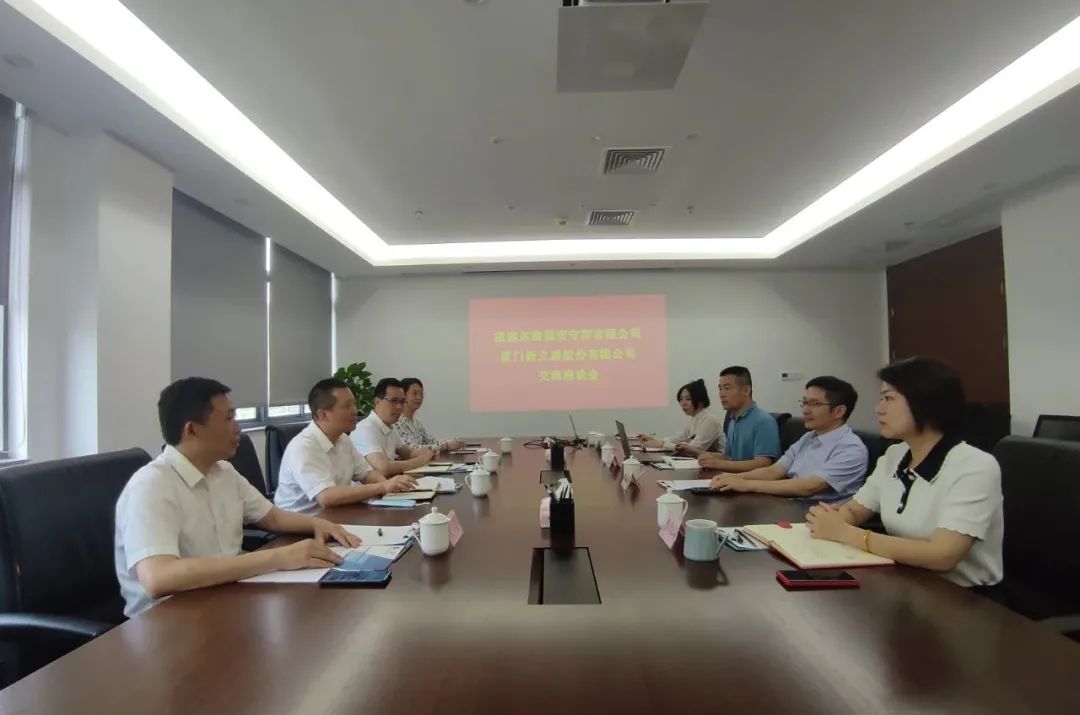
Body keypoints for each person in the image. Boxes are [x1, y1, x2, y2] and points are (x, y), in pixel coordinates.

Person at [115, 378, 362, 618]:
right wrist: (278, 557)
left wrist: (318, 524)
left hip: (224, 598)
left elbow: (272, 517)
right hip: (167, 620)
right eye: (229, 418)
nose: (238, 427)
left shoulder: (223, 471)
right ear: (192, 429)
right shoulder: (151, 486)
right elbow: (159, 578)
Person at [805, 357, 1003, 588]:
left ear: (926, 403)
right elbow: (856, 510)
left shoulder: (975, 466)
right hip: (907, 579)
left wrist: (846, 534)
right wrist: (831, 520)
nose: (878, 409)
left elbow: (942, 555)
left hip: (963, 595)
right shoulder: (895, 455)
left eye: (888, 398)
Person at [709, 376, 868, 500]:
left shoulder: (851, 449)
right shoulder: (808, 437)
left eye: (814, 404)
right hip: (788, 503)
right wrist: (732, 478)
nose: (806, 410)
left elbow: (808, 487)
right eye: (804, 403)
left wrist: (746, 484)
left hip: (814, 514)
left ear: (839, 411)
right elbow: (774, 470)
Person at [274, 379, 417, 513]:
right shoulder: (304, 446)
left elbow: (367, 474)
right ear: (323, 414)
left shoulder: (343, 439)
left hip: (336, 516)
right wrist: (382, 486)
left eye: (354, 404)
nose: (355, 410)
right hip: (301, 525)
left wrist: (391, 488)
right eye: (347, 406)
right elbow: (326, 496)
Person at [697, 366, 780, 472]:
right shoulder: (733, 421)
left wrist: (719, 464)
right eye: (720, 389)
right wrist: (707, 457)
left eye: (727, 388)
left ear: (746, 390)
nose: (721, 394)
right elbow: (729, 458)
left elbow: (763, 463)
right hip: (733, 478)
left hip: (753, 481)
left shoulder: (763, 421)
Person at [352, 377, 436, 476]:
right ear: (377, 402)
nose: (399, 407)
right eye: (393, 401)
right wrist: (420, 460)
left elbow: (408, 453)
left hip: (390, 482)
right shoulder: (365, 429)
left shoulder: (391, 427)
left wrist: (426, 452)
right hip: (372, 485)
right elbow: (383, 468)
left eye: (402, 402)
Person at [636, 379, 724, 455]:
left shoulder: (709, 419)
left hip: (716, 465)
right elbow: (679, 438)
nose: (683, 403)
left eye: (688, 399)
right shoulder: (693, 417)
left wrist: (661, 444)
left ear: (700, 401)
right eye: (681, 399)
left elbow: (694, 448)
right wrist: (656, 440)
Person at [395, 377, 464, 452]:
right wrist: (445, 445)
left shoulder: (416, 423)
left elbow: (431, 441)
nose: (419, 397)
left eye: (421, 394)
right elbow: (412, 448)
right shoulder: (397, 422)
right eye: (414, 393)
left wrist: (452, 442)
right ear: (403, 396)